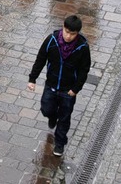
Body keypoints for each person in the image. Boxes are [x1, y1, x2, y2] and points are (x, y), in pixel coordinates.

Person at [27, 15, 91, 157]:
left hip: (68, 90)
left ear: (77, 33)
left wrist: (75, 89)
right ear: (63, 27)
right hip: (51, 85)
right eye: (66, 31)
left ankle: (60, 142)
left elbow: (84, 70)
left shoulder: (83, 48)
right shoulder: (52, 40)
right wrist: (32, 78)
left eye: (72, 34)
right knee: (46, 109)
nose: (68, 36)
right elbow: (41, 59)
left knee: (65, 117)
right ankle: (51, 116)